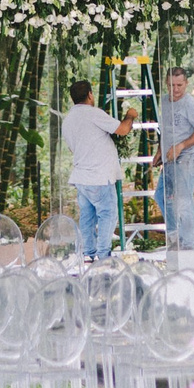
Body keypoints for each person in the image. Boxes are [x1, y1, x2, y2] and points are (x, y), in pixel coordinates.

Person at [61, 79, 135, 260]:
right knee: (107, 215)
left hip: (81, 177)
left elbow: (73, 148)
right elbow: (122, 130)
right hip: (99, 176)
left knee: (87, 217)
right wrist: (131, 115)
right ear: (90, 95)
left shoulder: (68, 120)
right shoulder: (94, 114)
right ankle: (103, 255)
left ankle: (88, 253)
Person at [152, 67, 194, 252]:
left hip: (186, 158)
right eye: (171, 85)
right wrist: (159, 152)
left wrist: (181, 146)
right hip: (169, 159)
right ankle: (174, 237)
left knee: (184, 201)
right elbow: (166, 130)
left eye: (179, 85)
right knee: (162, 196)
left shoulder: (190, 104)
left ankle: (188, 244)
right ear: (166, 84)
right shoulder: (163, 101)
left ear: (186, 84)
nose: (176, 89)